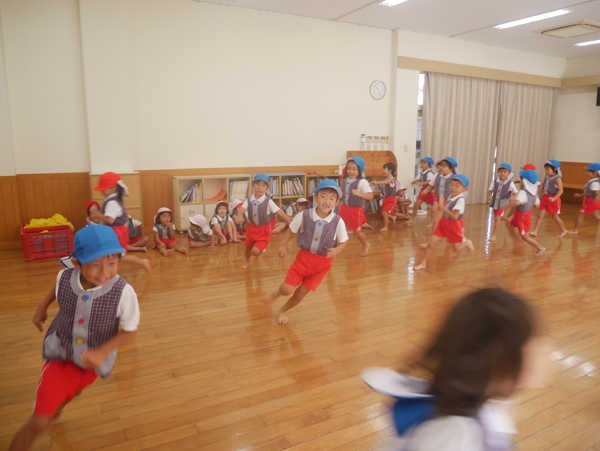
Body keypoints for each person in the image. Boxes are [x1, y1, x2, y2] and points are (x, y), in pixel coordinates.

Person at [9, 226, 140, 451]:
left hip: (91, 362)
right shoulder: (65, 276)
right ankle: (47, 413)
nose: (105, 272)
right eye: (95, 264)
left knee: (75, 390)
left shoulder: (124, 292)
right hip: (59, 351)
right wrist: (42, 306)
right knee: (38, 423)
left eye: (112, 263)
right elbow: (58, 286)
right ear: (77, 263)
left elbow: (130, 330)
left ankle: (58, 406)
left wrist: (101, 352)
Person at [362, 287, 541, 451]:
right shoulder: (455, 436)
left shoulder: (473, 402)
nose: (543, 354)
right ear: (498, 362)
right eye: (535, 344)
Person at [270, 180, 349, 324]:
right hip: (303, 259)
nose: (327, 201)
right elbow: (291, 229)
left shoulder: (338, 221)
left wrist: (337, 250)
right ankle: (278, 292)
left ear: (337, 202)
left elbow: (344, 241)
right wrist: (283, 245)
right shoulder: (304, 215)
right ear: (315, 197)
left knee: (299, 295)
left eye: (332, 198)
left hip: (322, 265)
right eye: (323, 196)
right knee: (287, 290)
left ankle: (282, 310)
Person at [414, 174, 474, 271]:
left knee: (456, 250)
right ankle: (423, 263)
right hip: (443, 223)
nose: (453, 188)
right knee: (430, 244)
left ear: (465, 189)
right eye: (451, 184)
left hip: (453, 225)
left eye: (457, 186)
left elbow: (455, 216)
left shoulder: (461, 200)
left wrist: (442, 207)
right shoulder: (450, 195)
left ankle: (467, 242)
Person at [91, 172, 150, 271]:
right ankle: (108, 271)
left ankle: (142, 262)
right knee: (110, 254)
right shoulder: (110, 199)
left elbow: (110, 220)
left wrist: (98, 214)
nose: (102, 191)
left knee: (120, 256)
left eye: (104, 189)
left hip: (118, 231)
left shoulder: (113, 202)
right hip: (113, 231)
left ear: (114, 188)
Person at [234, 173, 291, 270]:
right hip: (252, 228)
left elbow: (280, 212)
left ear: (267, 188)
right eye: (258, 184)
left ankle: (261, 251)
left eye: (263, 185)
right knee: (248, 248)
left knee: (255, 251)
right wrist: (239, 216)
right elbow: (242, 208)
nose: (260, 188)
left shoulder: (268, 201)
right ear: (253, 185)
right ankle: (247, 261)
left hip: (264, 230)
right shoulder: (249, 200)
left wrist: (289, 222)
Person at [500, 166, 546, 256]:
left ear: (524, 181)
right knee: (509, 226)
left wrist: (507, 205)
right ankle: (518, 241)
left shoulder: (523, 192)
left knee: (526, 237)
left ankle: (540, 248)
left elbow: (517, 203)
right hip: (519, 215)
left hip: (523, 217)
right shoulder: (534, 193)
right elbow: (537, 205)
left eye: (521, 179)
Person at [338, 156, 373, 256]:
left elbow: (370, 196)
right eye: (349, 168)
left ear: (360, 170)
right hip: (344, 208)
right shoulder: (346, 180)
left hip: (355, 211)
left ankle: (365, 244)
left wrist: (359, 193)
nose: (351, 171)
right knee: (335, 223)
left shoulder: (362, 182)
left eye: (354, 169)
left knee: (356, 233)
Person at [410, 157, 457, 229]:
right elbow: (431, 185)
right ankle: (434, 224)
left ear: (451, 169)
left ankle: (440, 226)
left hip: (448, 200)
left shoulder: (454, 178)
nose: (441, 168)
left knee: (441, 214)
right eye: (441, 166)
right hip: (439, 198)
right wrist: (426, 190)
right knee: (433, 209)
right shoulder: (437, 175)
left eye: (444, 166)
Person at [531, 159, 568, 238]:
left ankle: (563, 230)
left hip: (554, 199)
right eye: (545, 169)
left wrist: (554, 198)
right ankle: (535, 231)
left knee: (555, 217)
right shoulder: (547, 177)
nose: (546, 171)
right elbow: (545, 186)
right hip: (545, 197)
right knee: (540, 215)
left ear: (555, 169)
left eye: (548, 169)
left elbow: (561, 190)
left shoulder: (558, 179)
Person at [487, 163, 518, 242]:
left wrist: (513, 197)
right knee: (497, 217)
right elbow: (490, 189)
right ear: (498, 172)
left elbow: (515, 192)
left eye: (505, 172)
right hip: (495, 202)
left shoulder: (510, 183)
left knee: (497, 219)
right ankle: (508, 219)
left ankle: (494, 235)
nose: (502, 173)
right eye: (501, 171)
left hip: (503, 203)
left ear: (509, 173)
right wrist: (490, 196)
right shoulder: (495, 181)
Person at [568, 162, 600, 234]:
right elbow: (588, 192)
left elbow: (597, 192)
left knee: (579, 215)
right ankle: (575, 230)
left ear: (596, 173)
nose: (587, 173)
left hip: (591, 201)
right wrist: (580, 195)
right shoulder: (594, 181)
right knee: (596, 216)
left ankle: (575, 230)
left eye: (589, 172)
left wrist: (597, 196)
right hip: (595, 201)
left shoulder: (594, 183)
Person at [408, 157, 436, 224]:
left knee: (433, 208)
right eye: (422, 163)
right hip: (423, 190)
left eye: (424, 163)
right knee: (416, 205)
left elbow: (429, 181)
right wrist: (416, 181)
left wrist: (420, 184)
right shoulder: (423, 172)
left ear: (429, 165)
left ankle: (433, 222)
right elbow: (422, 178)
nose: (422, 164)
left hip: (429, 191)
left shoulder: (429, 172)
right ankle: (412, 219)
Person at [371, 163, 398, 231]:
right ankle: (392, 218)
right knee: (383, 213)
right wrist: (376, 192)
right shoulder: (385, 179)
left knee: (384, 213)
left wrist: (376, 182)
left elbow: (386, 182)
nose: (383, 170)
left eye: (384, 169)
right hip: (386, 198)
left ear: (390, 170)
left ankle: (386, 227)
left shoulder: (391, 178)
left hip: (392, 198)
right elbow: (383, 189)